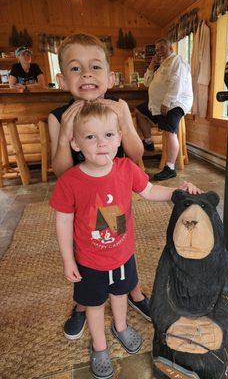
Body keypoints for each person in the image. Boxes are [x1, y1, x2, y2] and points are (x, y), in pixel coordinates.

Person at [50, 100, 201, 379]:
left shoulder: (126, 169)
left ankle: (120, 327)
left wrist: (176, 193)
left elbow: (150, 190)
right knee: (94, 306)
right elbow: (63, 220)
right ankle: (99, 346)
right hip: (90, 262)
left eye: (108, 135)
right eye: (90, 137)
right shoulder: (69, 182)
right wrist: (68, 259)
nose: (101, 143)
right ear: (75, 143)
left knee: (120, 294)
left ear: (119, 138)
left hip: (123, 256)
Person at [47, 33, 149, 343]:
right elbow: (62, 171)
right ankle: (83, 303)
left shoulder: (118, 105)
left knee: (118, 244)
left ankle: (132, 290)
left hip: (116, 192)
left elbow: (136, 154)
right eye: (76, 69)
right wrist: (66, 134)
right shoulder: (59, 116)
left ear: (110, 76)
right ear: (63, 79)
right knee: (86, 251)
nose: (87, 74)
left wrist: (125, 123)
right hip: (81, 199)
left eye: (95, 67)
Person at [135, 38, 193, 181]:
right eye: (156, 49)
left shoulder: (176, 60)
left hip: (175, 103)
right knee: (139, 111)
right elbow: (148, 82)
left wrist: (167, 103)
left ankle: (170, 167)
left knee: (169, 132)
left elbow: (177, 83)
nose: (158, 51)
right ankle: (148, 142)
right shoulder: (162, 64)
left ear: (171, 49)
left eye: (162, 48)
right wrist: (152, 63)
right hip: (158, 104)